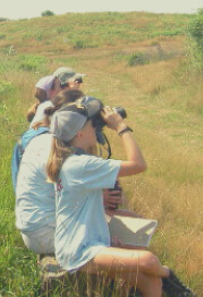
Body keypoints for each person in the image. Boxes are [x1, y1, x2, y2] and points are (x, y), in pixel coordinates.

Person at [45, 97, 193, 297]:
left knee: (150, 281)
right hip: (80, 251)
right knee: (149, 261)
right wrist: (121, 127)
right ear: (80, 134)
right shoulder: (81, 165)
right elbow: (138, 164)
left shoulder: (72, 160)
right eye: (93, 124)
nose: (96, 128)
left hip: (84, 243)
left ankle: (162, 279)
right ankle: (171, 278)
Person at [14, 89, 136, 255]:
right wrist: (121, 127)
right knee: (133, 236)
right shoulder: (63, 155)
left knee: (130, 220)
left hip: (39, 227)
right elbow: (137, 165)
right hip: (48, 233)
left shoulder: (48, 140)